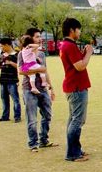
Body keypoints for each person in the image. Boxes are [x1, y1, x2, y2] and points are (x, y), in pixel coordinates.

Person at [18, 28, 57, 152]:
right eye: (37, 37)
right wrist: (38, 70)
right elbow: (21, 70)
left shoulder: (41, 54)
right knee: (32, 118)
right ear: (30, 39)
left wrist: (51, 87)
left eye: (40, 36)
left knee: (48, 115)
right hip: (29, 89)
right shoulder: (22, 53)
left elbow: (46, 70)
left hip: (43, 88)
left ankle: (44, 140)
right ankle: (33, 143)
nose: (40, 39)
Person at [58, 18, 92, 162]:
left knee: (73, 119)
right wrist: (89, 53)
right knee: (77, 120)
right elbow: (80, 66)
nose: (80, 32)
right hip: (76, 87)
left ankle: (75, 149)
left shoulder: (66, 45)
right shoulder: (69, 46)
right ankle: (73, 153)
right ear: (72, 30)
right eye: (78, 29)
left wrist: (84, 53)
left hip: (73, 86)